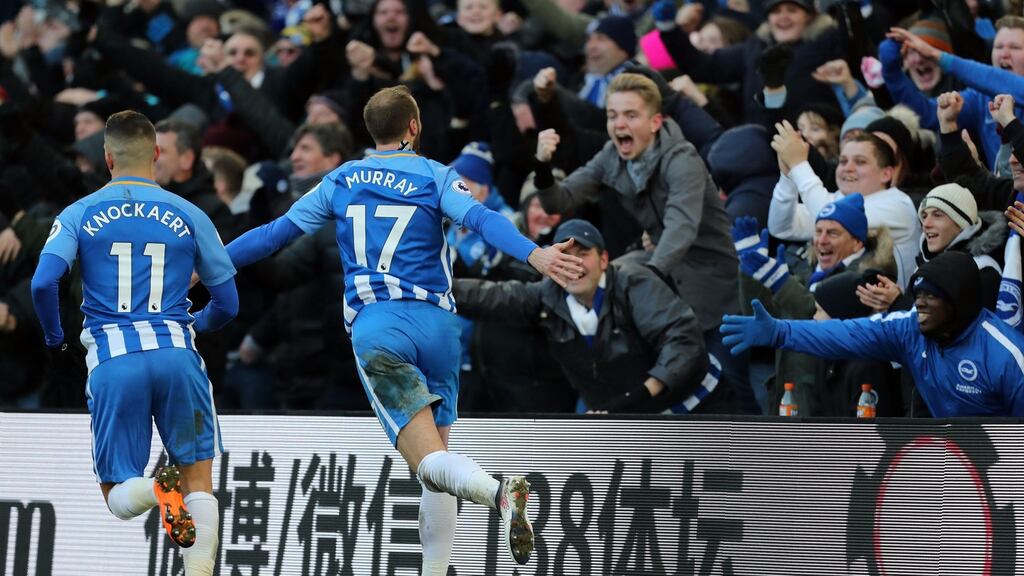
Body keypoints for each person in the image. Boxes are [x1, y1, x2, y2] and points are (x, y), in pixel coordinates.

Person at [223, 85, 584, 572]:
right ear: (414, 127)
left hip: (380, 326)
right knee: (435, 466)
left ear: (370, 132)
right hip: (439, 326)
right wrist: (534, 252)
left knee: (427, 462)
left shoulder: (342, 180)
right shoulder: (436, 176)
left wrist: (212, 264)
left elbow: (274, 235)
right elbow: (480, 218)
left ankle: (499, 493)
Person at [29, 111, 239, 575]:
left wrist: (55, 337)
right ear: (156, 154)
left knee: (117, 494)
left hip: (113, 359)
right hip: (178, 356)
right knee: (199, 479)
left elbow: (44, 283)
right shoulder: (190, 213)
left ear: (107, 158)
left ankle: (150, 490)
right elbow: (228, 302)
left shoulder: (79, 213)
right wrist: (195, 326)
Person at [455, 219, 736, 414]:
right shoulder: (547, 296)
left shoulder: (633, 281)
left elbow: (682, 340)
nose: (574, 264)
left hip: (701, 408)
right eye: (565, 254)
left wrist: (641, 393)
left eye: (583, 254)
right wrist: (434, 288)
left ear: (603, 260)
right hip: (634, 420)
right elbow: (492, 296)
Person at [722, 251, 1024, 417]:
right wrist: (780, 331)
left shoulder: (1006, 355)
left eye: (931, 295)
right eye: (917, 293)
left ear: (957, 300)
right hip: (941, 455)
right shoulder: (907, 328)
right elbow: (843, 333)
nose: (918, 302)